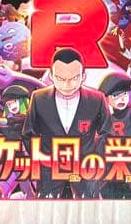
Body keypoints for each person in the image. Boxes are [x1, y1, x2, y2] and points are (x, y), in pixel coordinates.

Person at [21, 48, 111, 198]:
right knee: (47, 208)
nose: (67, 84)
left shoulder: (97, 99)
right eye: (61, 79)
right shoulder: (38, 98)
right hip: (50, 170)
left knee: (89, 208)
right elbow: (28, 133)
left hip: (86, 169)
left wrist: (95, 158)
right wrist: (42, 158)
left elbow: (107, 132)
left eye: (74, 78)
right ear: (51, 76)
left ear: (83, 76)